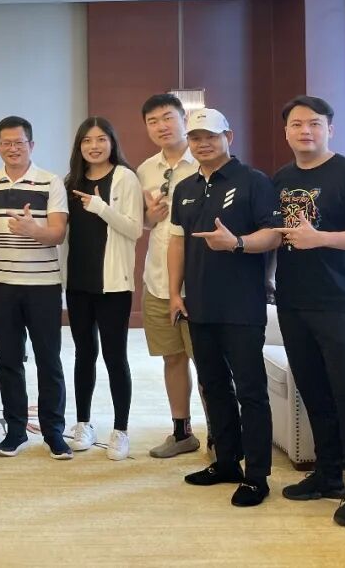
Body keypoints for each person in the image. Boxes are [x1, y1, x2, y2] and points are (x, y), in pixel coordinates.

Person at [273, 95, 345, 527]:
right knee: (315, 392)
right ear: (286, 131)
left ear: (329, 129)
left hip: (339, 302)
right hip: (292, 301)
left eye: (315, 123)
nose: (306, 130)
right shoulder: (281, 178)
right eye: (297, 124)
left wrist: (320, 238)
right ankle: (327, 475)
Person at [168, 108, 281, 507]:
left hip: (241, 306)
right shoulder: (184, 187)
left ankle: (257, 476)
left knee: (251, 391)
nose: (203, 143)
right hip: (199, 305)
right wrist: (175, 293)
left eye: (211, 136)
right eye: (196, 137)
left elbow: (273, 235)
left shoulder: (254, 181)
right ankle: (227, 462)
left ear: (228, 137)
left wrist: (237, 243)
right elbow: (177, 242)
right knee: (213, 386)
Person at [0, 116, 71, 460]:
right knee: (9, 360)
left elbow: (58, 233)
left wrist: (34, 230)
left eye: (19, 142)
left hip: (43, 285)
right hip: (1, 284)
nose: (13, 148)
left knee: (49, 360)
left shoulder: (50, 181)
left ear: (31, 145)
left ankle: (53, 432)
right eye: (6, 143)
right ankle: (15, 431)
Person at [64, 117, 143, 461]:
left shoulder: (125, 177)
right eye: (87, 140)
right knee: (83, 354)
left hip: (114, 284)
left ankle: (120, 430)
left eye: (100, 139)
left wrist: (100, 207)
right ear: (79, 146)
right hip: (78, 282)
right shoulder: (71, 181)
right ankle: (83, 423)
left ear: (112, 142)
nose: (94, 146)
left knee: (115, 356)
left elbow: (135, 229)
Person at [136, 94, 202, 458]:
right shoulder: (146, 169)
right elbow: (145, 223)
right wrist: (151, 216)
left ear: (183, 119)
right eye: (152, 121)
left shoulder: (204, 161)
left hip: (199, 282)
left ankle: (221, 434)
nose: (161, 126)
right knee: (172, 357)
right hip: (158, 279)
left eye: (167, 117)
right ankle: (181, 431)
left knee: (207, 360)